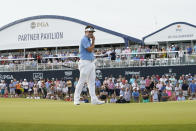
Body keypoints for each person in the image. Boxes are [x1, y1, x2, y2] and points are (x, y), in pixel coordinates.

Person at [74, 25, 105, 105]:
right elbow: (90, 49)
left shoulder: (87, 40)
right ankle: (76, 99)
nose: (91, 33)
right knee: (82, 81)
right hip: (85, 63)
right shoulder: (84, 39)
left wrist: (92, 41)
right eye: (90, 32)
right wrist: (94, 40)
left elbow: (91, 49)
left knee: (91, 82)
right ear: (86, 32)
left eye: (92, 32)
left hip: (91, 63)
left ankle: (94, 99)